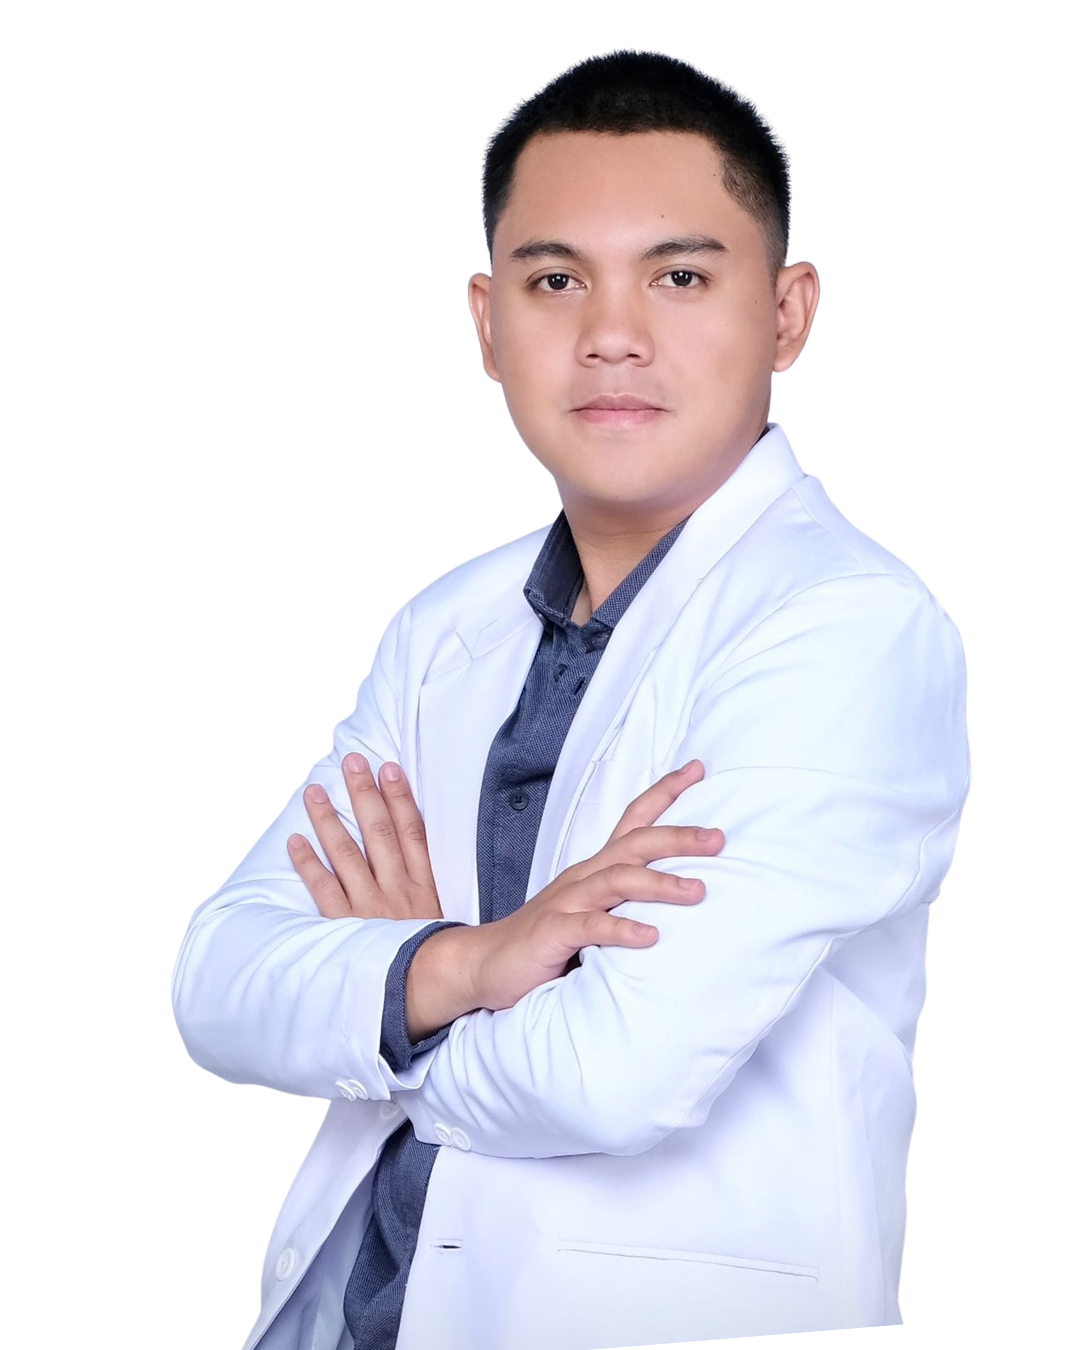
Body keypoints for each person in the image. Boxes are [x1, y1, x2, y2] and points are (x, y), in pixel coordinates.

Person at [171, 50, 970, 1348]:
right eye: (556, 280)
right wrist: (474, 961)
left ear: (788, 314)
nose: (612, 334)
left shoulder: (849, 627)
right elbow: (215, 982)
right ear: (487, 323)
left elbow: (614, 1073)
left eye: (679, 276)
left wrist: (384, 998)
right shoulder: (445, 625)